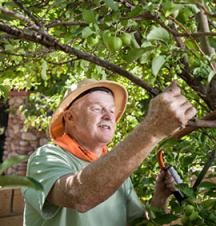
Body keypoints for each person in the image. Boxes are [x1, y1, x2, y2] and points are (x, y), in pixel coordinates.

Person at [22, 79, 196, 226]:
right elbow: (78, 195)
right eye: (97, 108)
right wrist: (152, 129)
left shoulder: (116, 172)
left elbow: (139, 224)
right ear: (70, 118)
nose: (108, 116)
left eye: (111, 110)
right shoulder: (46, 158)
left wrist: (159, 199)